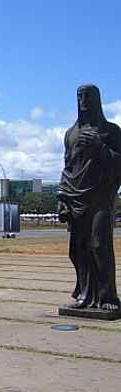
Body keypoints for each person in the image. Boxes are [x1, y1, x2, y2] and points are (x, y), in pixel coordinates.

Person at [57, 84, 121, 312]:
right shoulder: (71, 134)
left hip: (100, 198)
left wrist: (99, 147)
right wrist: (62, 198)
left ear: (97, 100)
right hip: (76, 198)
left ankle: (108, 296)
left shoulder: (111, 131)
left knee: (98, 244)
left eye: (88, 96)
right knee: (78, 249)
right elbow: (68, 167)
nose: (83, 100)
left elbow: (119, 163)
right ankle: (84, 294)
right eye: (79, 96)